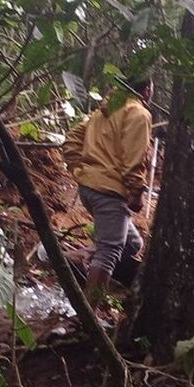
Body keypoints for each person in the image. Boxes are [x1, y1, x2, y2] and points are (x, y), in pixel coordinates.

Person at [62, 76, 153, 304]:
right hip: (108, 192)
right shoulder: (139, 114)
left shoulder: (106, 109)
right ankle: (89, 315)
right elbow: (134, 159)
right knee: (110, 251)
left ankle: (81, 256)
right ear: (147, 90)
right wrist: (136, 192)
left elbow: (72, 138)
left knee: (132, 243)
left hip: (90, 188)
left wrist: (80, 171)